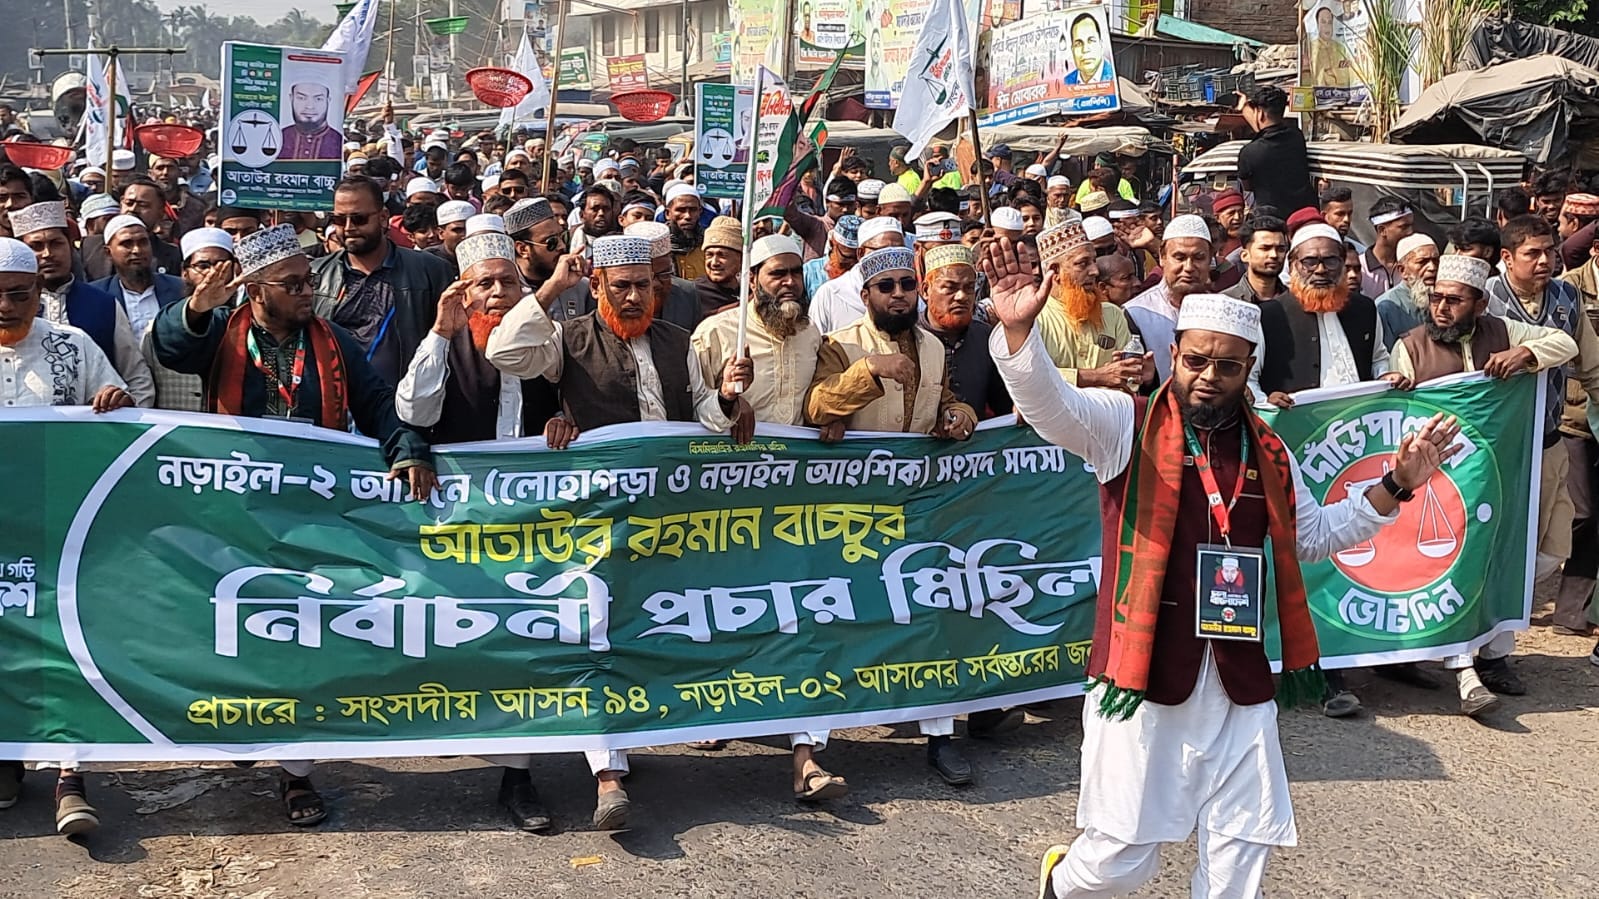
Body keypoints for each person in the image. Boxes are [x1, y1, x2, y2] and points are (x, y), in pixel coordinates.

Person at [980, 235, 1462, 898]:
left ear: (1248, 368)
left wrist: (1397, 484)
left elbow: (1316, 536)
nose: (1208, 376)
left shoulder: (1269, 450)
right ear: (1173, 354)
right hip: (1143, 671)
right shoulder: (1124, 425)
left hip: (1236, 673)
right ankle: (1063, 880)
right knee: (1121, 861)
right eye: (1196, 360)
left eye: (1227, 366)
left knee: (1242, 847)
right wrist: (1017, 332)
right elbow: (1049, 407)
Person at [802, 245, 983, 785]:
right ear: (866, 295)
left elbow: (947, 401)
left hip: (915, 506)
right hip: (849, 515)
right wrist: (869, 371)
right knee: (832, 622)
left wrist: (959, 416)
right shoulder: (840, 344)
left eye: (907, 285)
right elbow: (816, 407)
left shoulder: (932, 346)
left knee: (930, 616)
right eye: (887, 287)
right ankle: (812, 749)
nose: (899, 295)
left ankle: (941, 739)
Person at [687, 234, 853, 798]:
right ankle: (717, 713)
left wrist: (833, 418)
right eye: (775, 274)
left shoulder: (812, 336)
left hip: (797, 503)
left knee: (804, 615)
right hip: (725, 503)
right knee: (725, 611)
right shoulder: (716, 334)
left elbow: (818, 400)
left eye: (794, 273)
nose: (787, 283)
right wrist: (727, 401)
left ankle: (807, 755)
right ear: (751, 280)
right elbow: (690, 414)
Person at [1389, 253, 1581, 712]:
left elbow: (1565, 344)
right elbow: (1396, 417)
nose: (1441, 308)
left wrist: (1526, 355)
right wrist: (1391, 384)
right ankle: (1474, 666)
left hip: (1505, 471)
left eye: (1454, 301)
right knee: (1468, 563)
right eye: (1436, 298)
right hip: (1444, 486)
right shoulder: (1411, 346)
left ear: (1479, 304)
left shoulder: (1505, 331)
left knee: (1543, 551)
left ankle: (1489, 643)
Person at [0, 236, 132, 836]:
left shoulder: (72, 346)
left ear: (38, 292)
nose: (6, 306)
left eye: (18, 294)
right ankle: (7, 758)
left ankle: (70, 777)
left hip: (63, 524)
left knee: (65, 647)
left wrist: (115, 402)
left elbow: (124, 411)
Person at [485, 234, 751, 462]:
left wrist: (725, 396)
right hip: (603, 485)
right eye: (621, 286)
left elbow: (702, 412)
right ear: (596, 287)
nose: (634, 297)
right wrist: (552, 288)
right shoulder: (568, 338)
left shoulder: (678, 340)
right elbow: (503, 353)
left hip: (668, 479)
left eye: (642, 285)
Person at [1485, 215, 1599, 678]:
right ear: (1507, 257)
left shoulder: (1567, 298)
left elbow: (1589, 363)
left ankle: (1493, 615)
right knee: (1500, 547)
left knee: (1556, 541)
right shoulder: (1485, 299)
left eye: (1550, 251)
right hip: (1496, 449)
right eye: (1533, 253)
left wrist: (1530, 354)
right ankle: (1492, 654)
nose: (1545, 260)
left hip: (1550, 440)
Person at [310, 176, 453, 385]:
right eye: (339, 220)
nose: (348, 228)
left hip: (406, 396)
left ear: (384, 217)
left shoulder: (430, 270)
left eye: (359, 219)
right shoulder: (316, 274)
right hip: (336, 396)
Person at [8, 203, 152, 408]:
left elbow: (137, 377)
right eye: (36, 246)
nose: (48, 254)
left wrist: (128, 412)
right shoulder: (10, 309)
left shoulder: (104, 304)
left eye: (56, 244)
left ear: (71, 246)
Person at [1033, 220, 1147, 391]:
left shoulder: (1113, 315)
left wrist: (1140, 373)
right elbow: (1033, 378)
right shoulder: (1035, 320)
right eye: (1083, 263)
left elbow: (1129, 380)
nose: (1095, 271)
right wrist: (1098, 376)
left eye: (1094, 261)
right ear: (1055, 271)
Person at [920, 243, 1013, 417]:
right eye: (950, 288)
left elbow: (1004, 406)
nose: (962, 296)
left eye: (969, 288)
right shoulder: (908, 337)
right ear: (926, 290)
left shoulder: (986, 337)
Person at [146, 228, 232, 411]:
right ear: (185, 272)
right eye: (203, 266)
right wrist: (196, 311)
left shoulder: (246, 324)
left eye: (221, 265)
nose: (212, 273)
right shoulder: (161, 325)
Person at [1125, 214, 1213, 381]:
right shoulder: (1135, 314)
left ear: (1210, 259)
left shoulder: (1222, 312)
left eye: (1198, 258)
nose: (1189, 267)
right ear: (1162, 257)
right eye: (1179, 258)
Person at [810, 217, 908, 335]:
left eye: (898, 251)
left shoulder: (908, 290)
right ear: (861, 254)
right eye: (882, 251)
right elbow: (814, 341)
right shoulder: (830, 294)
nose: (891, 258)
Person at [1236, 86, 1315, 214]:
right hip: (1304, 215)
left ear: (1260, 113)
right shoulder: (1297, 137)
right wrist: (1245, 108)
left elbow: (1247, 187)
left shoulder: (1249, 152)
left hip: (1271, 219)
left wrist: (1244, 107)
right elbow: (1266, 130)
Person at [623, 220, 702, 331]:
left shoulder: (687, 293)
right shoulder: (616, 298)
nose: (655, 284)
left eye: (664, 274)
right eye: (646, 277)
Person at [1374, 234, 1440, 349]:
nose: (1432, 267)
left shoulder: (1445, 300)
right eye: (1422, 262)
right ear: (1402, 270)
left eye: (1436, 261)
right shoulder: (1386, 307)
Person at [1223, 215, 1289, 304]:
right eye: (1265, 248)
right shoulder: (1227, 302)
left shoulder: (1297, 301)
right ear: (1245, 255)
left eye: (1280, 249)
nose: (1274, 255)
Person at [1360, 198, 1414, 298]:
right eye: (1404, 227)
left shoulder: (1412, 265)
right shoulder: (1360, 268)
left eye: (1411, 226)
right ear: (1382, 230)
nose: (1410, 232)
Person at [278, 82, 344, 160]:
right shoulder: (279, 138)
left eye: (318, 99)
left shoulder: (339, 141)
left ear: (328, 101)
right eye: (301, 98)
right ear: (291, 98)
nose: (310, 106)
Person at [696, 216, 744, 317]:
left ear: (741, 259)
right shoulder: (694, 294)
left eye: (722, 255)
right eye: (709, 255)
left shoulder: (748, 290)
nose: (714, 263)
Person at [804, 215, 861, 299]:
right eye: (848, 257)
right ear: (831, 244)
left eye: (859, 258)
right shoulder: (810, 271)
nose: (854, 264)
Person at [662, 184, 707, 280]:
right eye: (681, 210)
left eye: (693, 210)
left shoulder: (708, 244)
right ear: (667, 214)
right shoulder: (659, 246)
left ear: (700, 212)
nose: (688, 216)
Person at [1064, 12, 1112, 84]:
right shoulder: (1066, 82)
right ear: (1072, 50)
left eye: (1091, 41)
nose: (1085, 49)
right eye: (1078, 44)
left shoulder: (1116, 80)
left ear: (1101, 45)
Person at [1318, 185, 1365, 253]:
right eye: (1340, 214)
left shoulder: (1360, 251)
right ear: (1324, 216)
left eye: (1349, 214)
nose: (1346, 219)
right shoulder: (1310, 248)